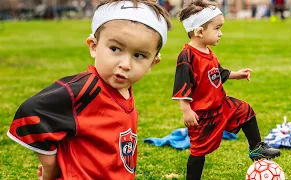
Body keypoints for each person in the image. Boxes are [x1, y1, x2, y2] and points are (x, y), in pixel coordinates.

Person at [7, 0, 171, 179]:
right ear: (94, 46)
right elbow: (30, 112)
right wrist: (50, 167)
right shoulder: (84, 91)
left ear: (152, 63)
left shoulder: (123, 89)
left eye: (139, 55)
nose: (125, 65)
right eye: (115, 49)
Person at [172, 0, 280, 179]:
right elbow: (182, 85)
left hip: (221, 105)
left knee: (245, 110)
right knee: (199, 151)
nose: (220, 33)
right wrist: (186, 110)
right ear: (199, 31)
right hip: (202, 114)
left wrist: (236, 74)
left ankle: (256, 149)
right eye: (217, 28)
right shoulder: (188, 55)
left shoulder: (208, 51)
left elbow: (217, 73)